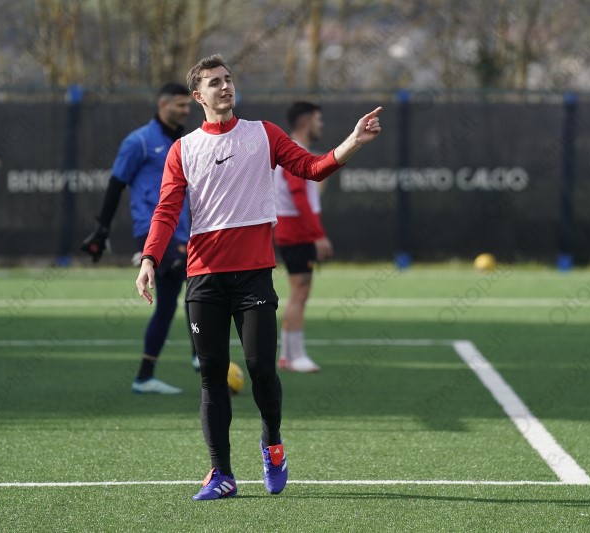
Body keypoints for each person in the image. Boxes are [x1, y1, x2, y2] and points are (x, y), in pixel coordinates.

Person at [135, 54, 382, 501]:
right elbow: (167, 210)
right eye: (214, 82)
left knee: (261, 370)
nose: (225, 87)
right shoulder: (183, 149)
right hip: (204, 279)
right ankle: (221, 473)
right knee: (211, 377)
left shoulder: (263, 134)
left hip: (253, 278)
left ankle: (273, 447)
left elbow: (313, 168)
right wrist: (150, 258)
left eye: (228, 79)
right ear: (198, 95)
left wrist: (355, 141)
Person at [81, 82, 198, 395]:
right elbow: (116, 184)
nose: (186, 110)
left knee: (168, 304)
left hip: (181, 231)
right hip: (152, 230)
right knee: (196, 277)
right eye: (180, 105)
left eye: (188, 105)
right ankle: (200, 355)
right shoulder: (140, 142)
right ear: (162, 105)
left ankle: (144, 376)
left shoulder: (186, 143)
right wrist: (101, 229)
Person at [274, 102, 331, 373]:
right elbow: (298, 196)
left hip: (293, 230)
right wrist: (317, 235)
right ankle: (293, 357)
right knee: (300, 292)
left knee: (300, 292)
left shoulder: (295, 150)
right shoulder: (294, 151)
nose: (321, 125)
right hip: (296, 231)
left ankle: (288, 355)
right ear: (306, 122)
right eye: (318, 120)